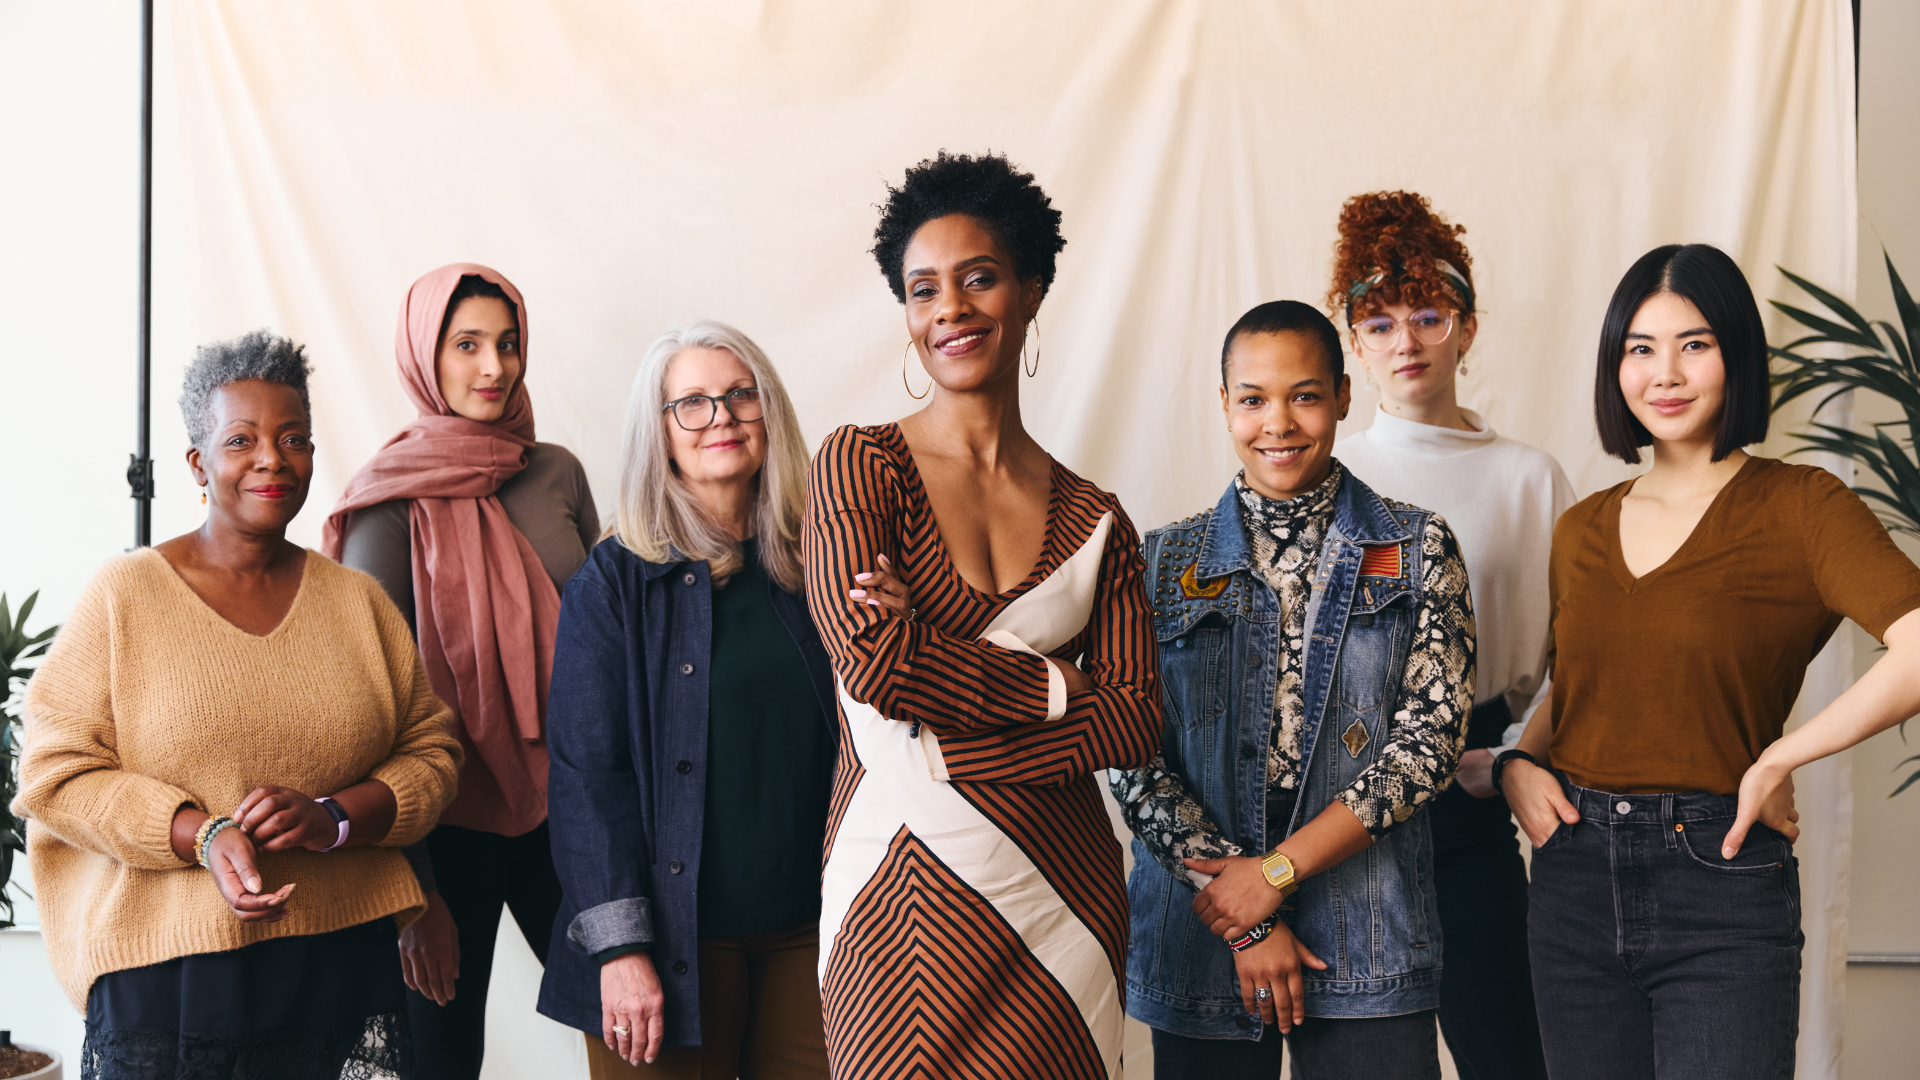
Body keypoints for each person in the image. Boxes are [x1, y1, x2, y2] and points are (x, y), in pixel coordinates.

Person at [1499, 243, 1920, 1080]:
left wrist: (1781, 756)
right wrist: (1517, 758)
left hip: (1720, 879)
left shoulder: (1804, 507)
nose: (1666, 373)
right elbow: (1578, 689)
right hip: (1572, 878)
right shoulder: (1581, 526)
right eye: (1640, 348)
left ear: (1736, 352)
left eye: (1695, 344)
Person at [14, 330, 461, 1080]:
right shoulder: (125, 597)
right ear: (198, 462)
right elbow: (56, 774)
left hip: (337, 959)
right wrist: (200, 833)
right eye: (241, 439)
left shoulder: (357, 602)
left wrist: (335, 817)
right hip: (170, 973)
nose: (272, 459)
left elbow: (433, 753)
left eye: (294, 439)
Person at [804, 151, 1162, 1079]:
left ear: (1031, 291)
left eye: (979, 278)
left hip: (1063, 901)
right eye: (924, 291)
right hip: (900, 888)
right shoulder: (859, 465)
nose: (950, 309)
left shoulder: (1097, 519)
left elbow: (1133, 719)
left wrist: (936, 692)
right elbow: (873, 666)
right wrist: (1054, 686)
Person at [1113, 300, 1475, 1079]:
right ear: (1224, 406)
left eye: (1305, 395)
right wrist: (1243, 919)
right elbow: (1129, 753)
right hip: (1202, 925)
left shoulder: (1417, 548)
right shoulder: (1159, 560)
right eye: (1253, 399)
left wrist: (1274, 874)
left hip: (1368, 916)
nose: (1277, 422)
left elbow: (1431, 742)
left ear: (1345, 396)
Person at [536, 321, 838, 1079]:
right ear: (660, 434)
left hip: (815, 927)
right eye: (692, 404)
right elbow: (584, 777)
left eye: (741, 395)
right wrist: (620, 949)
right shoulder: (613, 582)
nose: (723, 417)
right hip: (669, 941)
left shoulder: (822, 561)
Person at [326, 263, 599, 1080]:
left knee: (633, 1034)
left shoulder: (556, 471)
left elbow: (604, 640)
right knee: (440, 1064)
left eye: (508, 344)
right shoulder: (387, 503)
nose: (494, 368)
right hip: (442, 829)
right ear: (424, 356)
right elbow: (373, 710)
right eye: (467, 344)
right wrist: (415, 892)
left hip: (570, 808)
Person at [1328, 191, 1568, 1080]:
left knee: (1509, 1050)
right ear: (1353, 341)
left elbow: (1571, 655)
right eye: (1380, 322)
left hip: (1471, 792)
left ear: (1466, 327)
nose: (1407, 342)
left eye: (1429, 316)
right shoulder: (1330, 471)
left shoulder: (1529, 478)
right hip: (1345, 795)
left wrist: (1509, 754)